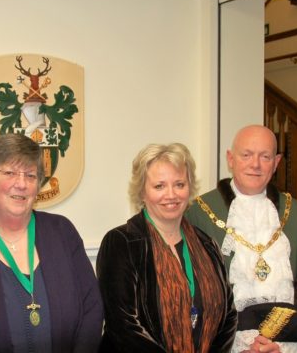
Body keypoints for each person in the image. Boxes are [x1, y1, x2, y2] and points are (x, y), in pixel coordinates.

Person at [0, 133, 103, 352]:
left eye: (30, 175)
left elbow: (92, 308)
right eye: (9, 173)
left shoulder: (62, 232)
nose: (21, 184)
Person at [186, 125, 297, 353]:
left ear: (276, 163)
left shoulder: (295, 214)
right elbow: (191, 291)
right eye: (246, 155)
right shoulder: (199, 213)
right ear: (231, 158)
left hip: (286, 343)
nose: (255, 164)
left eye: (264, 157)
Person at [96, 143, 237, 352]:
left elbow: (228, 316)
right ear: (142, 191)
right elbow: (123, 327)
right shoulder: (121, 243)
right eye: (159, 186)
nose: (171, 195)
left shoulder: (207, 244)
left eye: (179, 184)